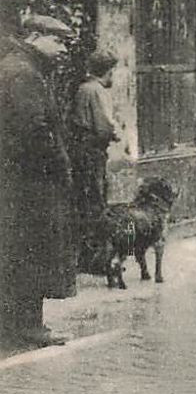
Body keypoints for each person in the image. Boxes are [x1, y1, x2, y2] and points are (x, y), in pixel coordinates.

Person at [0, 13, 78, 350]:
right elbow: (33, 131)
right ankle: (30, 326)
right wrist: (59, 164)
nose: (63, 49)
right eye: (58, 41)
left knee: (18, 252)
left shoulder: (19, 67)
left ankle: (16, 325)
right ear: (34, 36)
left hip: (20, 182)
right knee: (32, 252)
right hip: (30, 184)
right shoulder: (23, 73)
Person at [70, 48, 119, 270]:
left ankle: (85, 256)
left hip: (81, 151)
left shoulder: (82, 88)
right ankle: (97, 261)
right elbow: (104, 126)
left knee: (84, 200)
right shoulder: (97, 90)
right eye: (113, 71)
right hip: (93, 152)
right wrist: (115, 133)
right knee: (97, 201)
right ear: (107, 71)